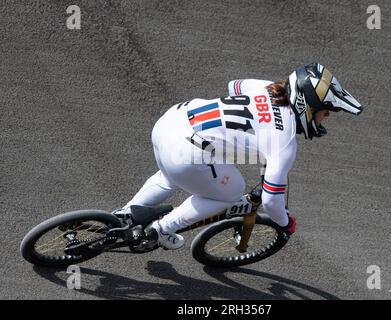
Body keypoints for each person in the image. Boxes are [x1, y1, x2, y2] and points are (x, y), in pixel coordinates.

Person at [114, 62, 363, 250]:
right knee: (232, 192)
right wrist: (286, 223)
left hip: (169, 123)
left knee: (170, 176)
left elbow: (235, 85)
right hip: (186, 152)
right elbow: (272, 201)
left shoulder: (268, 87)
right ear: (306, 106)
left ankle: (122, 216)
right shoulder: (285, 142)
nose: (326, 117)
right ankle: (162, 230)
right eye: (325, 111)